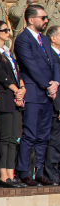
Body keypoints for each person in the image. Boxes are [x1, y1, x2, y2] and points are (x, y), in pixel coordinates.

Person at [14, 5, 60, 186]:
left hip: (49, 93)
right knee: (30, 134)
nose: (46, 20)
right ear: (31, 19)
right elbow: (30, 65)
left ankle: (39, 171)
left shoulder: (45, 40)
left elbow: (55, 64)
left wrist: (55, 83)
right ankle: (25, 171)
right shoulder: (23, 39)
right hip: (34, 92)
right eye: (43, 18)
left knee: (44, 136)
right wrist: (47, 85)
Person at [0, 20, 25, 188]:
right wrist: (16, 89)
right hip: (5, 97)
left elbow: (17, 72)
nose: (8, 33)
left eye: (8, 30)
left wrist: (22, 88)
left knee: (14, 138)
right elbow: (1, 75)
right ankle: (3, 175)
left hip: (16, 97)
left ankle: (11, 173)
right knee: (5, 137)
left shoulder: (8, 52)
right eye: (4, 30)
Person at [44, 26, 60, 184]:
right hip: (55, 103)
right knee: (55, 140)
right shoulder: (50, 55)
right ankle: (51, 171)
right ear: (53, 38)